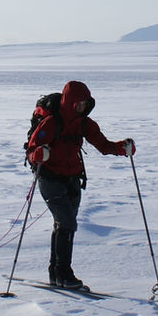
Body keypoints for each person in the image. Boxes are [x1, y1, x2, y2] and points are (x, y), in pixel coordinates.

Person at [24, 80, 135, 289]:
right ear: (69, 102)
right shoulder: (51, 123)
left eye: (85, 104)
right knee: (66, 223)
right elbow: (31, 152)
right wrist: (40, 154)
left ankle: (57, 273)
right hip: (49, 178)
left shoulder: (85, 123)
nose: (82, 108)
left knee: (65, 225)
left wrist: (122, 148)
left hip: (73, 178)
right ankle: (64, 274)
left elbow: (103, 145)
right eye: (78, 104)